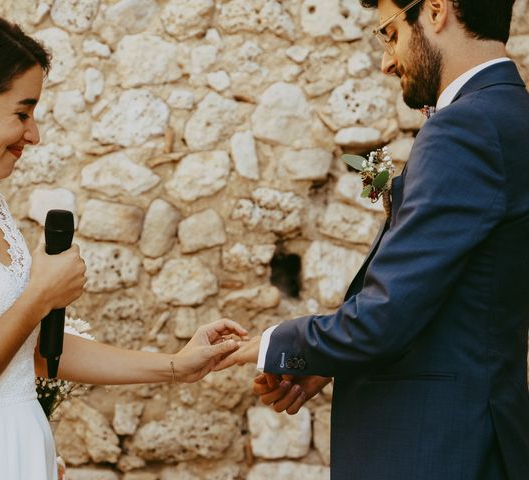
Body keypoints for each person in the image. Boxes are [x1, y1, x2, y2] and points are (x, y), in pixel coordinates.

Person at [0, 7, 247, 480]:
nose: (33, 135)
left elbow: (34, 352)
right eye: (22, 113)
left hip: (20, 452)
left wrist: (178, 365)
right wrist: (40, 296)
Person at [217, 0, 529, 478]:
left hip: (436, 449)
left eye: (390, 33)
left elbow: (386, 314)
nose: (386, 59)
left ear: (437, 10)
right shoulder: (510, 114)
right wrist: (331, 360)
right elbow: (462, 300)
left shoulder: (465, 127)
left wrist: (273, 343)